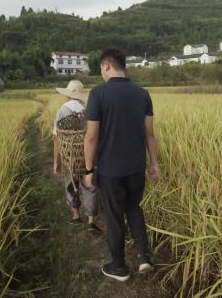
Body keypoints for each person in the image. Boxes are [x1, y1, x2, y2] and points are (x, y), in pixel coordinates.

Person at [83, 48, 161, 282]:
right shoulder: (142, 94)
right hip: (136, 168)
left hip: (110, 170)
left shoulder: (98, 94)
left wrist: (88, 170)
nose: (101, 72)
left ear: (107, 66)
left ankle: (118, 267)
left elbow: (91, 137)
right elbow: (150, 134)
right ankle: (144, 257)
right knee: (134, 208)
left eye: (100, 68)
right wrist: (154, 164)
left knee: (115, 215)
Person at [53, 79, 101, 233]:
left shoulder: (62, 110)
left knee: (70, 184)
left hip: (70, 156)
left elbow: (57, 138)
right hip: (88, 155)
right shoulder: (89, 109)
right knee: (90, 185)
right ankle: (91, 221)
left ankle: (76, 215)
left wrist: (56, 161)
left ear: (68, 95)